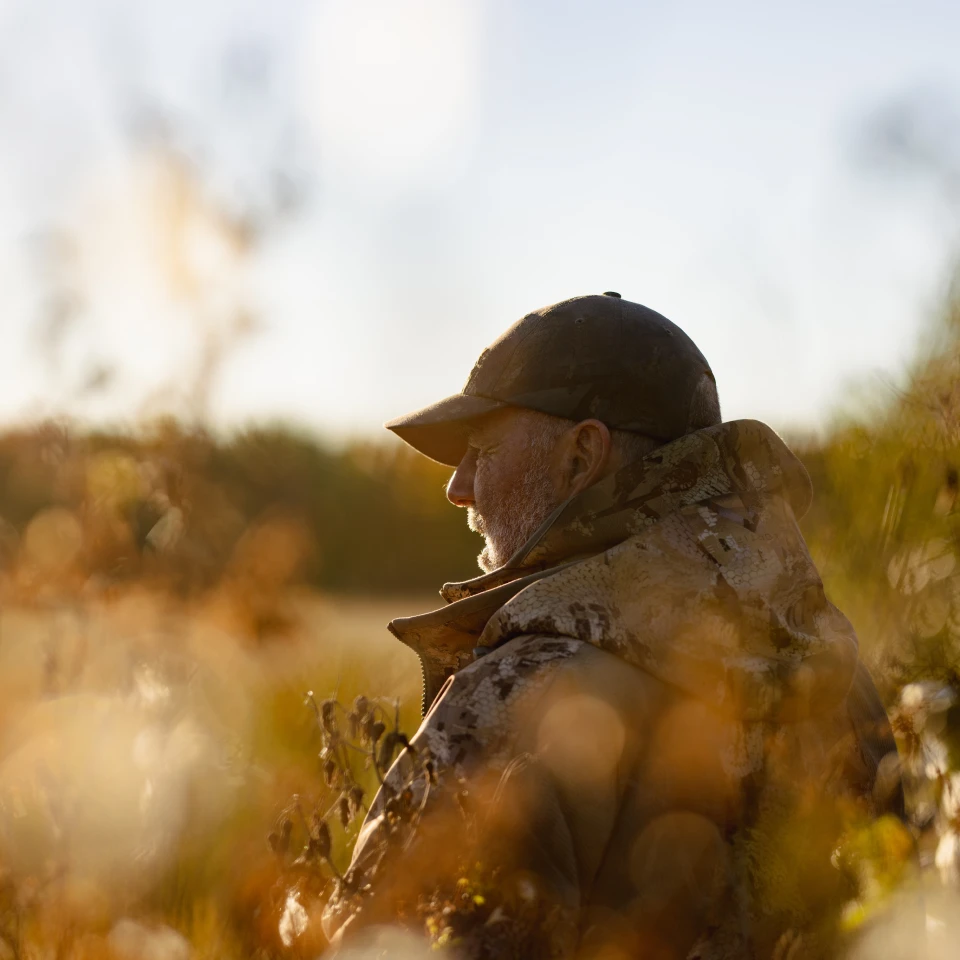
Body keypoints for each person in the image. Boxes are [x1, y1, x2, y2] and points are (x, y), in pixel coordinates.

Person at [322, 293, 903, 959]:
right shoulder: (844, 684)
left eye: (482, 449)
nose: (459, 487)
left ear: (581, 456)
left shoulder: (526, 696)